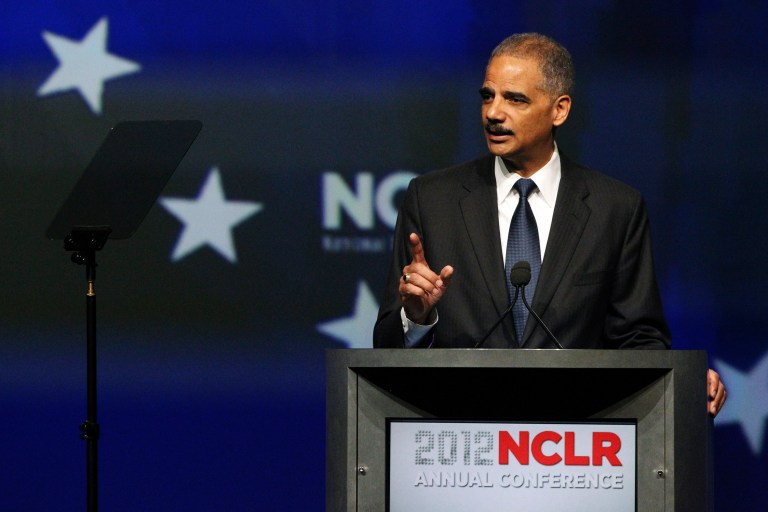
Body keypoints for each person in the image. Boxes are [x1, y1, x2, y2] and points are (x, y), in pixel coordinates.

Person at [373, 33, 726, 416]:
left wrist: (684, 381)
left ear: (559, 110)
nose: (493, 112)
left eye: (515, 99)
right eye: (488, 96)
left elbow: (639, 340)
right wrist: (418, 317)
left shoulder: (616, 208)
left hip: (574, 446)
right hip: (459, 438)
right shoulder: (431, 199)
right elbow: (386, 345)